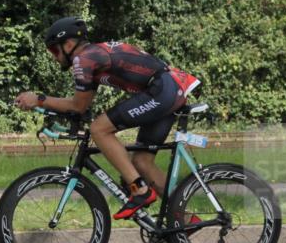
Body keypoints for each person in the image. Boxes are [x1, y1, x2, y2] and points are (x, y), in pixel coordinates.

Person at [14, 17, 200, 220]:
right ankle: (186, 221)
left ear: (68, 44)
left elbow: (78, 106)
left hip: (163, 90)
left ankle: (139, 189)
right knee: (142, 162)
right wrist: (46, 105)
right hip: (167, 89)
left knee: (99, 129)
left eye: (54, 50)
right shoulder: (92, 57)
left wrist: (39, 100)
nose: (54, 57)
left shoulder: (84, 59)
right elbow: (80, 105)